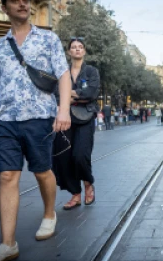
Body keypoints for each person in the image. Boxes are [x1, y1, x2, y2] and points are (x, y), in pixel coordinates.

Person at [0, 0, 72, 261]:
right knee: (6, 176)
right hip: (5, 119)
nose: (21, 5)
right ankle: (8, 244)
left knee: (42, 171)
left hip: (40, 117)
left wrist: (62, 110)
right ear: (4, 8)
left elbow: (63, 76)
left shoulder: (48, 39)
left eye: (25, 1)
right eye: (14, 1)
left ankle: (49, 212)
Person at [52, 37, 99, 210]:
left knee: (80, 156)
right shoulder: (62, 72)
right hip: (65, 118)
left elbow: (92, 93)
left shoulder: (92, 71)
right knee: (63, 158)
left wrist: (69, 94)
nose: (77, 49)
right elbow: (56, 94)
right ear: (69, 51)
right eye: (74, 47)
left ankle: (88, 183)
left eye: (80, 47)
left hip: (85, 118)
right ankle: (75, 194)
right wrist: (77, 94)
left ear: (84, 51)